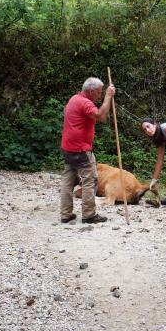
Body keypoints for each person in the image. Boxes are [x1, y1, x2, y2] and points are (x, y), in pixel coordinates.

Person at [59, 77, 116, 224]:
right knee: (90, 179)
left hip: (67, 147)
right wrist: (108, 96)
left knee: (68, 180)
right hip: (80, 148)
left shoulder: (74, 99)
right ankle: (89, 214)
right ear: (90, 91)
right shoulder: (85, 103)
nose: (99, 95)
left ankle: (66, 214)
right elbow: (102, 117)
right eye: (98, 92)